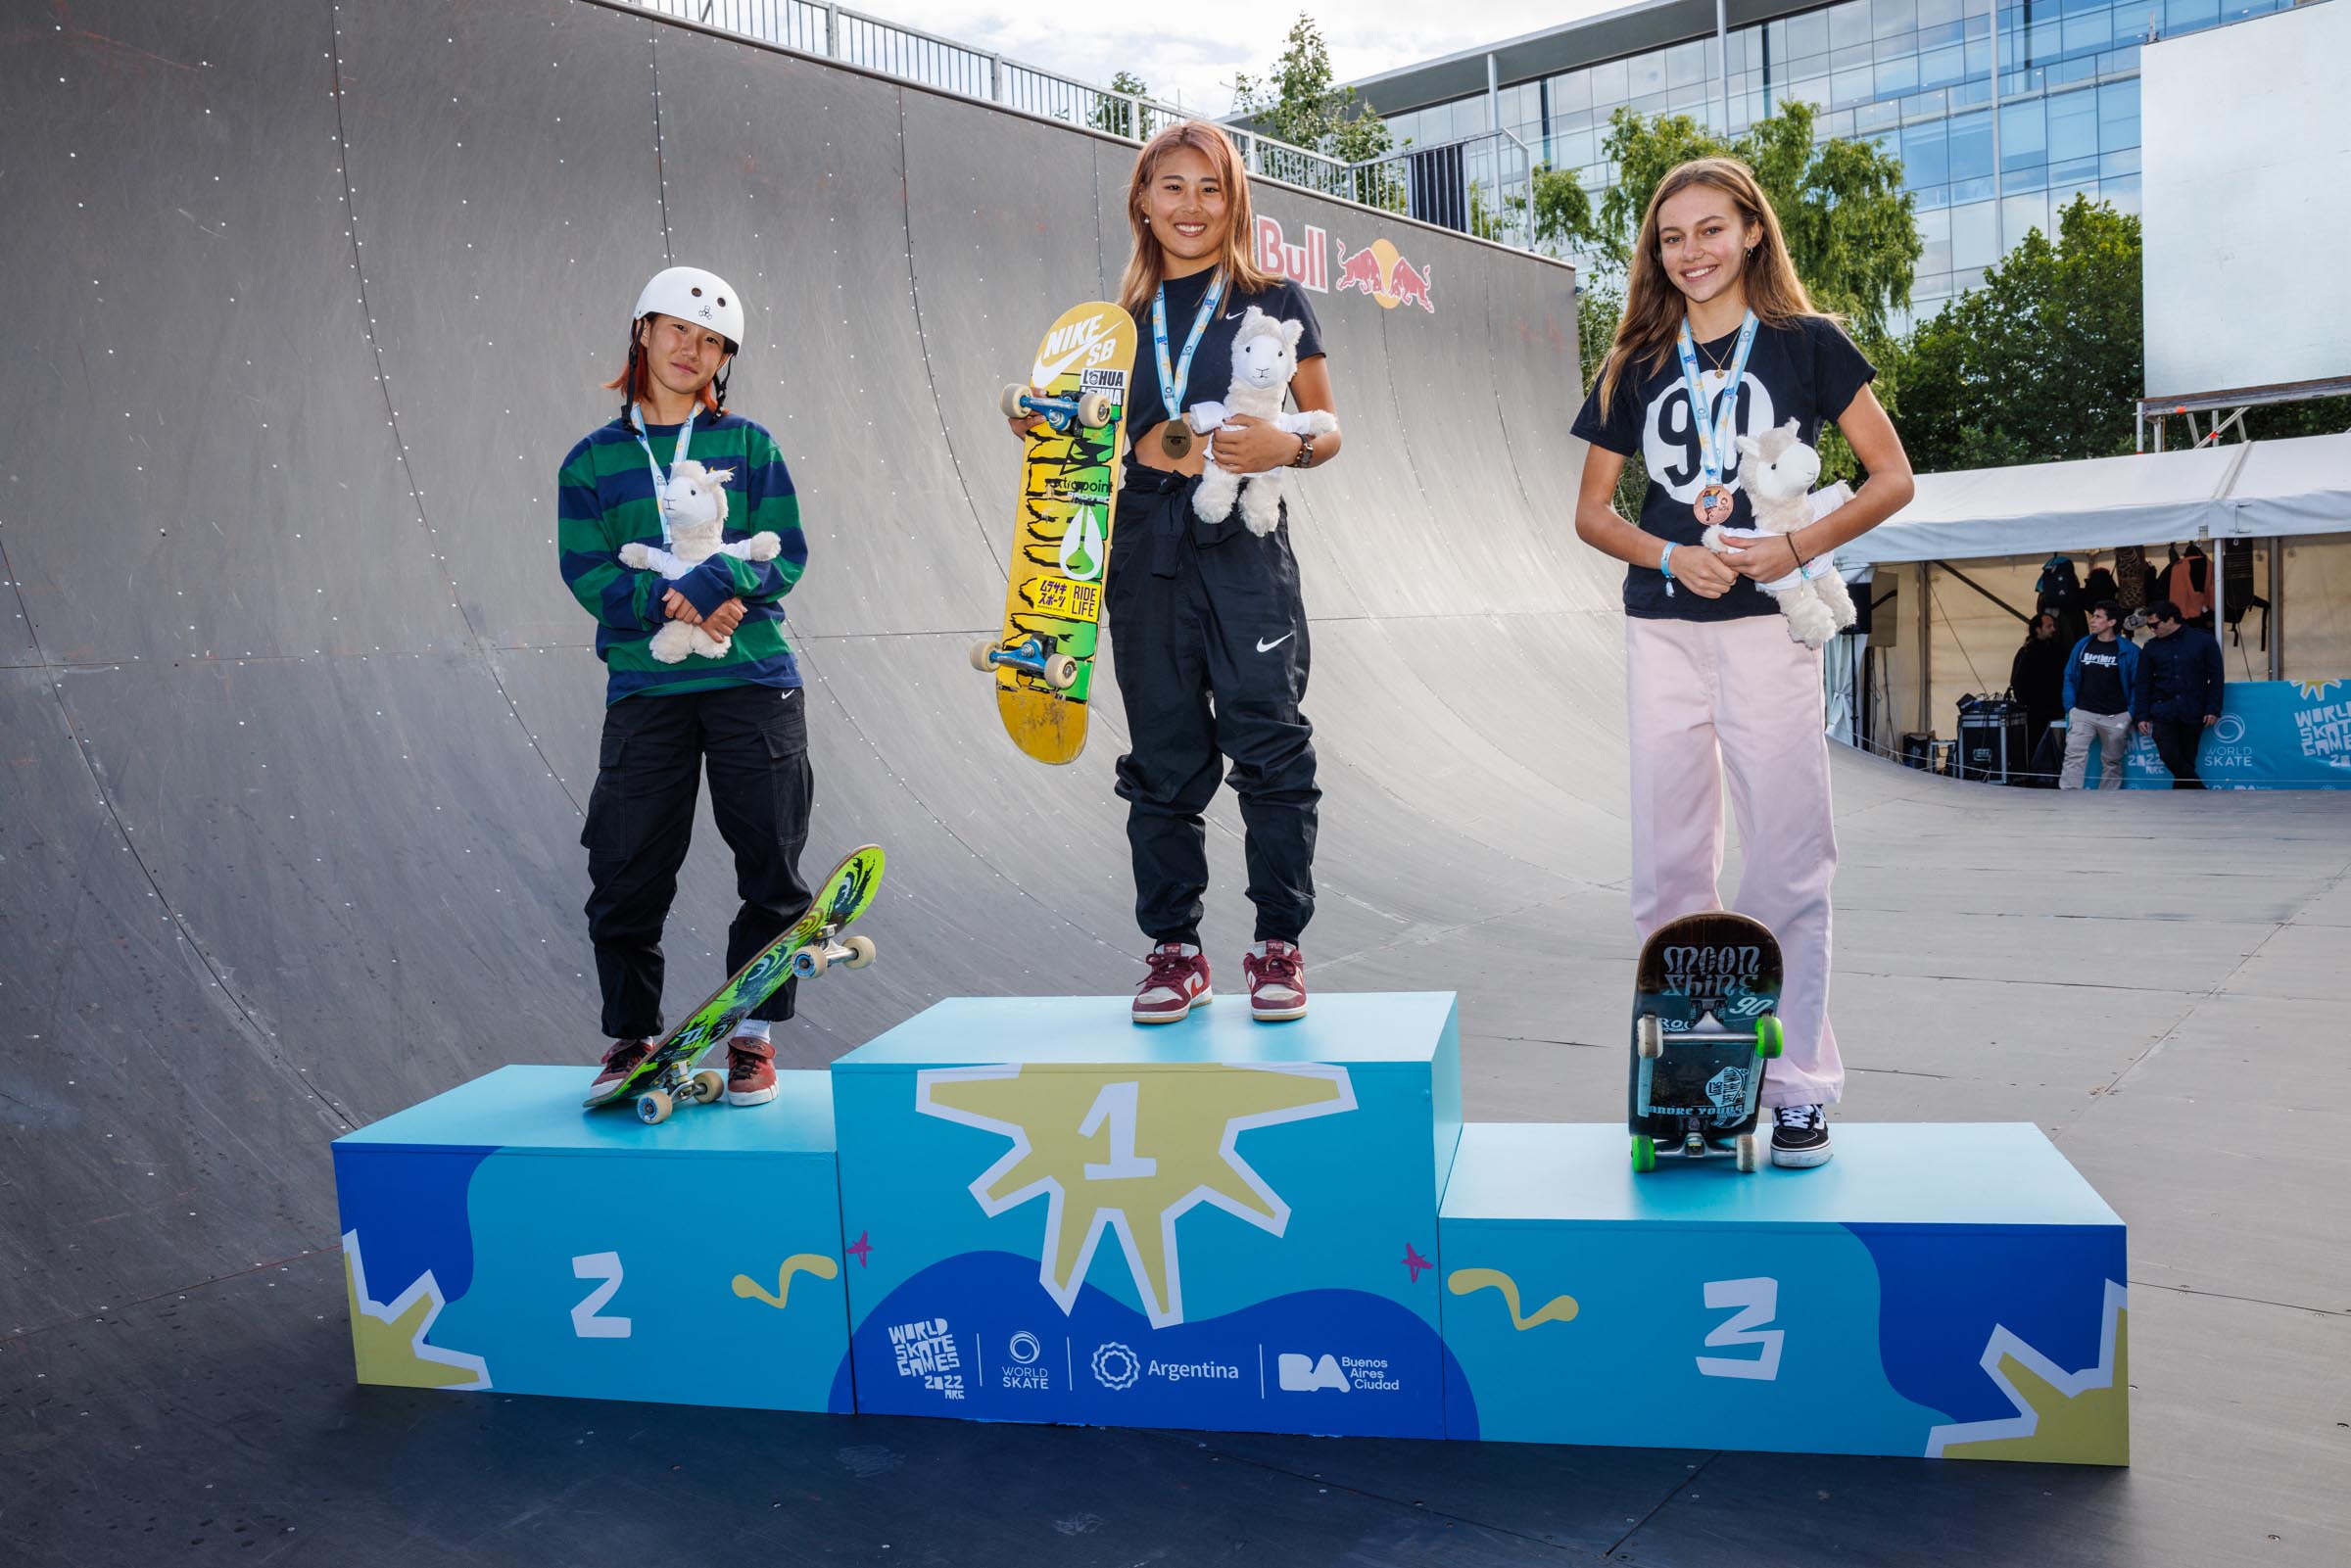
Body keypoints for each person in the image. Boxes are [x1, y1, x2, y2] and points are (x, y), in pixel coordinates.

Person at [1569, 157, 1915, 1168]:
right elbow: (1592, 512)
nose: (1692, 252)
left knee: (1787, 860)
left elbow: (1891, 478)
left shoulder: (1809, 345)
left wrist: (1794, 549)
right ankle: (1686, 1086)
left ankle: (1799, 1084)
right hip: (1663, 629)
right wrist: (1672, 552)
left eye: (1711, 230)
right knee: (1668, 865)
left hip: (1772, 627)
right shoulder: (1634, 359)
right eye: (1672, 237)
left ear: (1752, 231)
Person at [1009, 121, 1339, 1025]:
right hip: (1147, 538)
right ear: (1143, 203)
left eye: (1211, 189)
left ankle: (1278, 942)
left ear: (1234, 202)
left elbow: (1328, 425)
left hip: (1243, 540)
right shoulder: (1114, 327)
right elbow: (1085, 447)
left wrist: (1289, 444)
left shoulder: (1271, 297)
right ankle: (1174, 948)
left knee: (1267, 736)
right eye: (1173, 187)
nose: (1192, 206)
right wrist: (1046, 432)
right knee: (1162, 752)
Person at [557, 267, 813, 1104]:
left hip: (753, 679)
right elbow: (588, 571)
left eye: (709, 342)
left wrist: (716, 589)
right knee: (627, 865)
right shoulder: (592, 462)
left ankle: (752, 1035)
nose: (690, 350)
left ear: (723, 360)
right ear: (642, 331)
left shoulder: (751, 445)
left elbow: (790, 552)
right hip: (646, 687)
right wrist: (669, 599)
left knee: (770, 860)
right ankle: (631, 1037)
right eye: (676, 330)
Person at [2135, 598, 2225, 789]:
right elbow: (2143, 683)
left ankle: (2185, 805)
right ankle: (2200, 791)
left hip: (2193, 708)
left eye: (2155, 624)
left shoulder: (2204, 640)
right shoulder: (2151, 647)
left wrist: (2213, 708)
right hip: (2162, 709)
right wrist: (2142, 714)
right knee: (2168, 754)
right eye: (2149, 626)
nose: (2152, 629)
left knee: (2187, 759)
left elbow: (2216, 678)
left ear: (2171, 620)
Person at [2056, 600, 2138, 790]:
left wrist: (2130, 713)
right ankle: (2069, 795)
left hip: (2117, 714)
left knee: (2112, 761)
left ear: (2111, 622)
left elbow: (2138, 685)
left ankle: (2107, 800)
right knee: (2074, 753)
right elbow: (2069, 675)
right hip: (2083, 712)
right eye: (2093, 616)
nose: (2092, 621)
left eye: (2098, 617)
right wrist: (2071, 707)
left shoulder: (2130, 650)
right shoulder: (2082, 645)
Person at [2009, 609, 2068, 761]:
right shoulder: (2026, 652)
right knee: (2036, 748)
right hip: (2035, 713)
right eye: (2049, 626)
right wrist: (2027, 704)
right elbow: (2017, 682)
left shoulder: (2057, 650)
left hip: (2057, 710)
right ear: (2038, 629)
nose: (2053, 629)